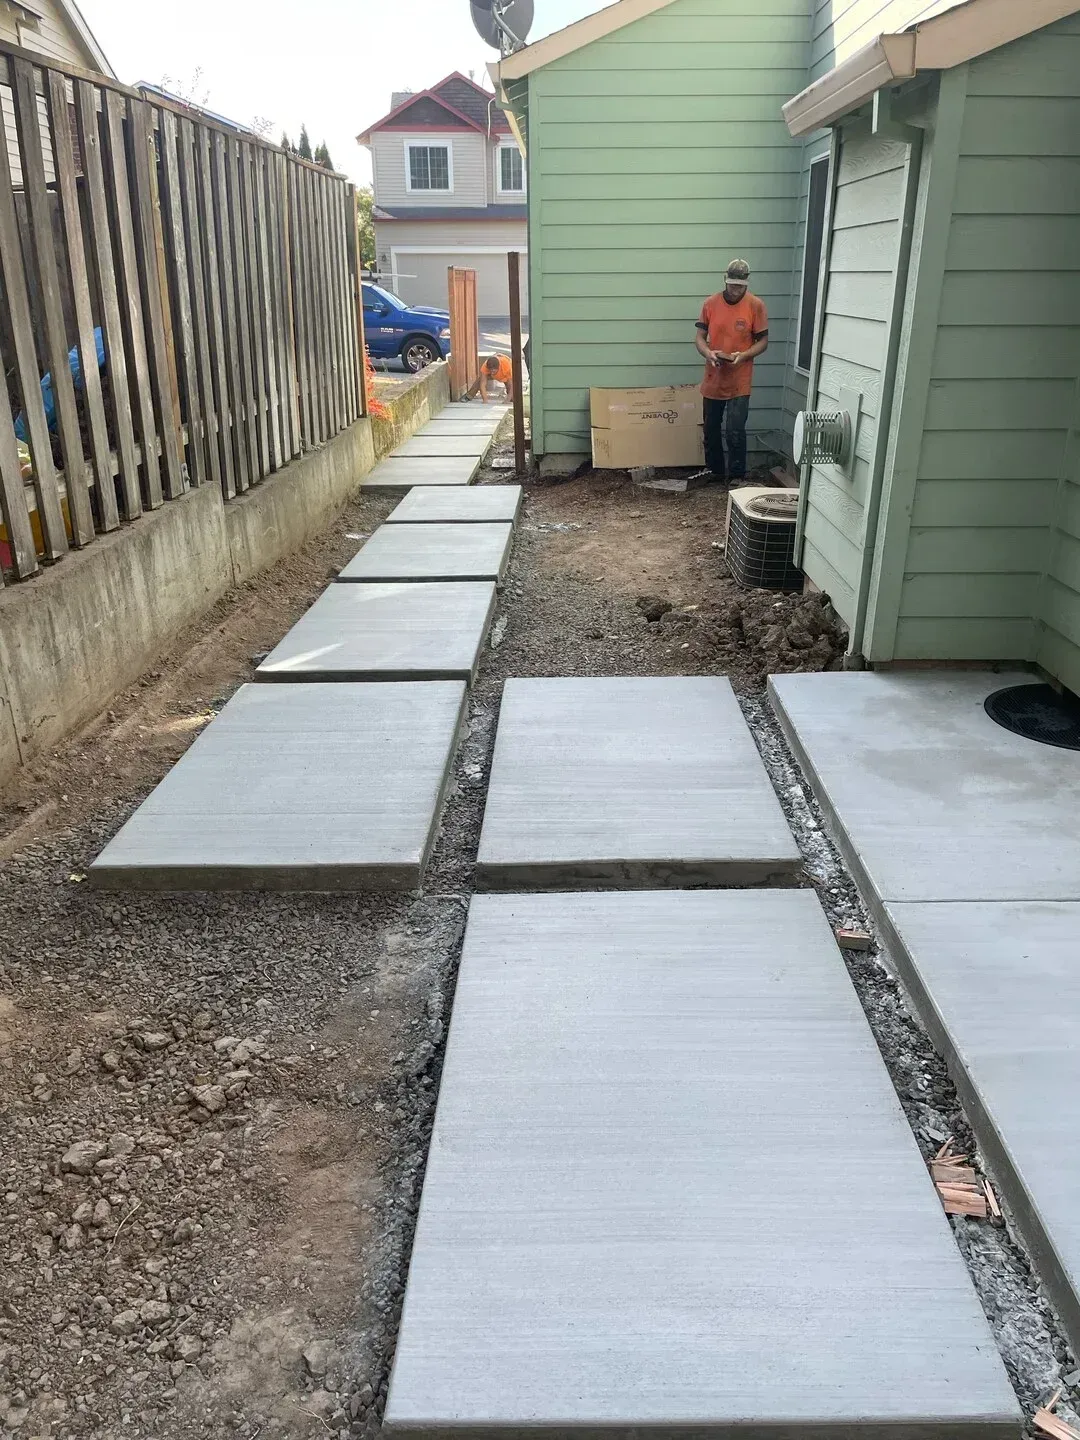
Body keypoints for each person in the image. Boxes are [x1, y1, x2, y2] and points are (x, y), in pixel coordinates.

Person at [692, 259, 768, 483]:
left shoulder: (755, 305)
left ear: (747, 283)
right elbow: (699, 337)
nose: (735, 290)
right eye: (732, 285)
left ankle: (736, 475)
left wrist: (743, 356)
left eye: (740, 286)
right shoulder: (710, 304)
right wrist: (708, 353)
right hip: (714, 375)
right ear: (725, 280)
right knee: (711, 427)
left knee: (735, 429)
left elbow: (763, 341)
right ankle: (714, 472)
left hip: (739, 377)